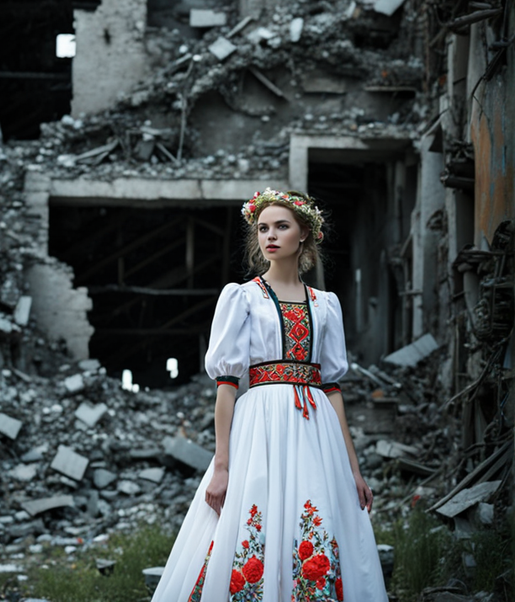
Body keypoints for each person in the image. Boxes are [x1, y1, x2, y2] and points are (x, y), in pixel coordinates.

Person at [151, 188, 387, 602]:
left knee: (314, 516)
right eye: (263, 228)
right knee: (252, 519)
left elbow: (331, 388)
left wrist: (354, 468)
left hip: (317, 431)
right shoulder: (242, 298)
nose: (270, 236)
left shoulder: (326, 305)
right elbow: (227, 385)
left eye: (281, 226)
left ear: (305, 235)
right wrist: (221, 465)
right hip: (258, 427)